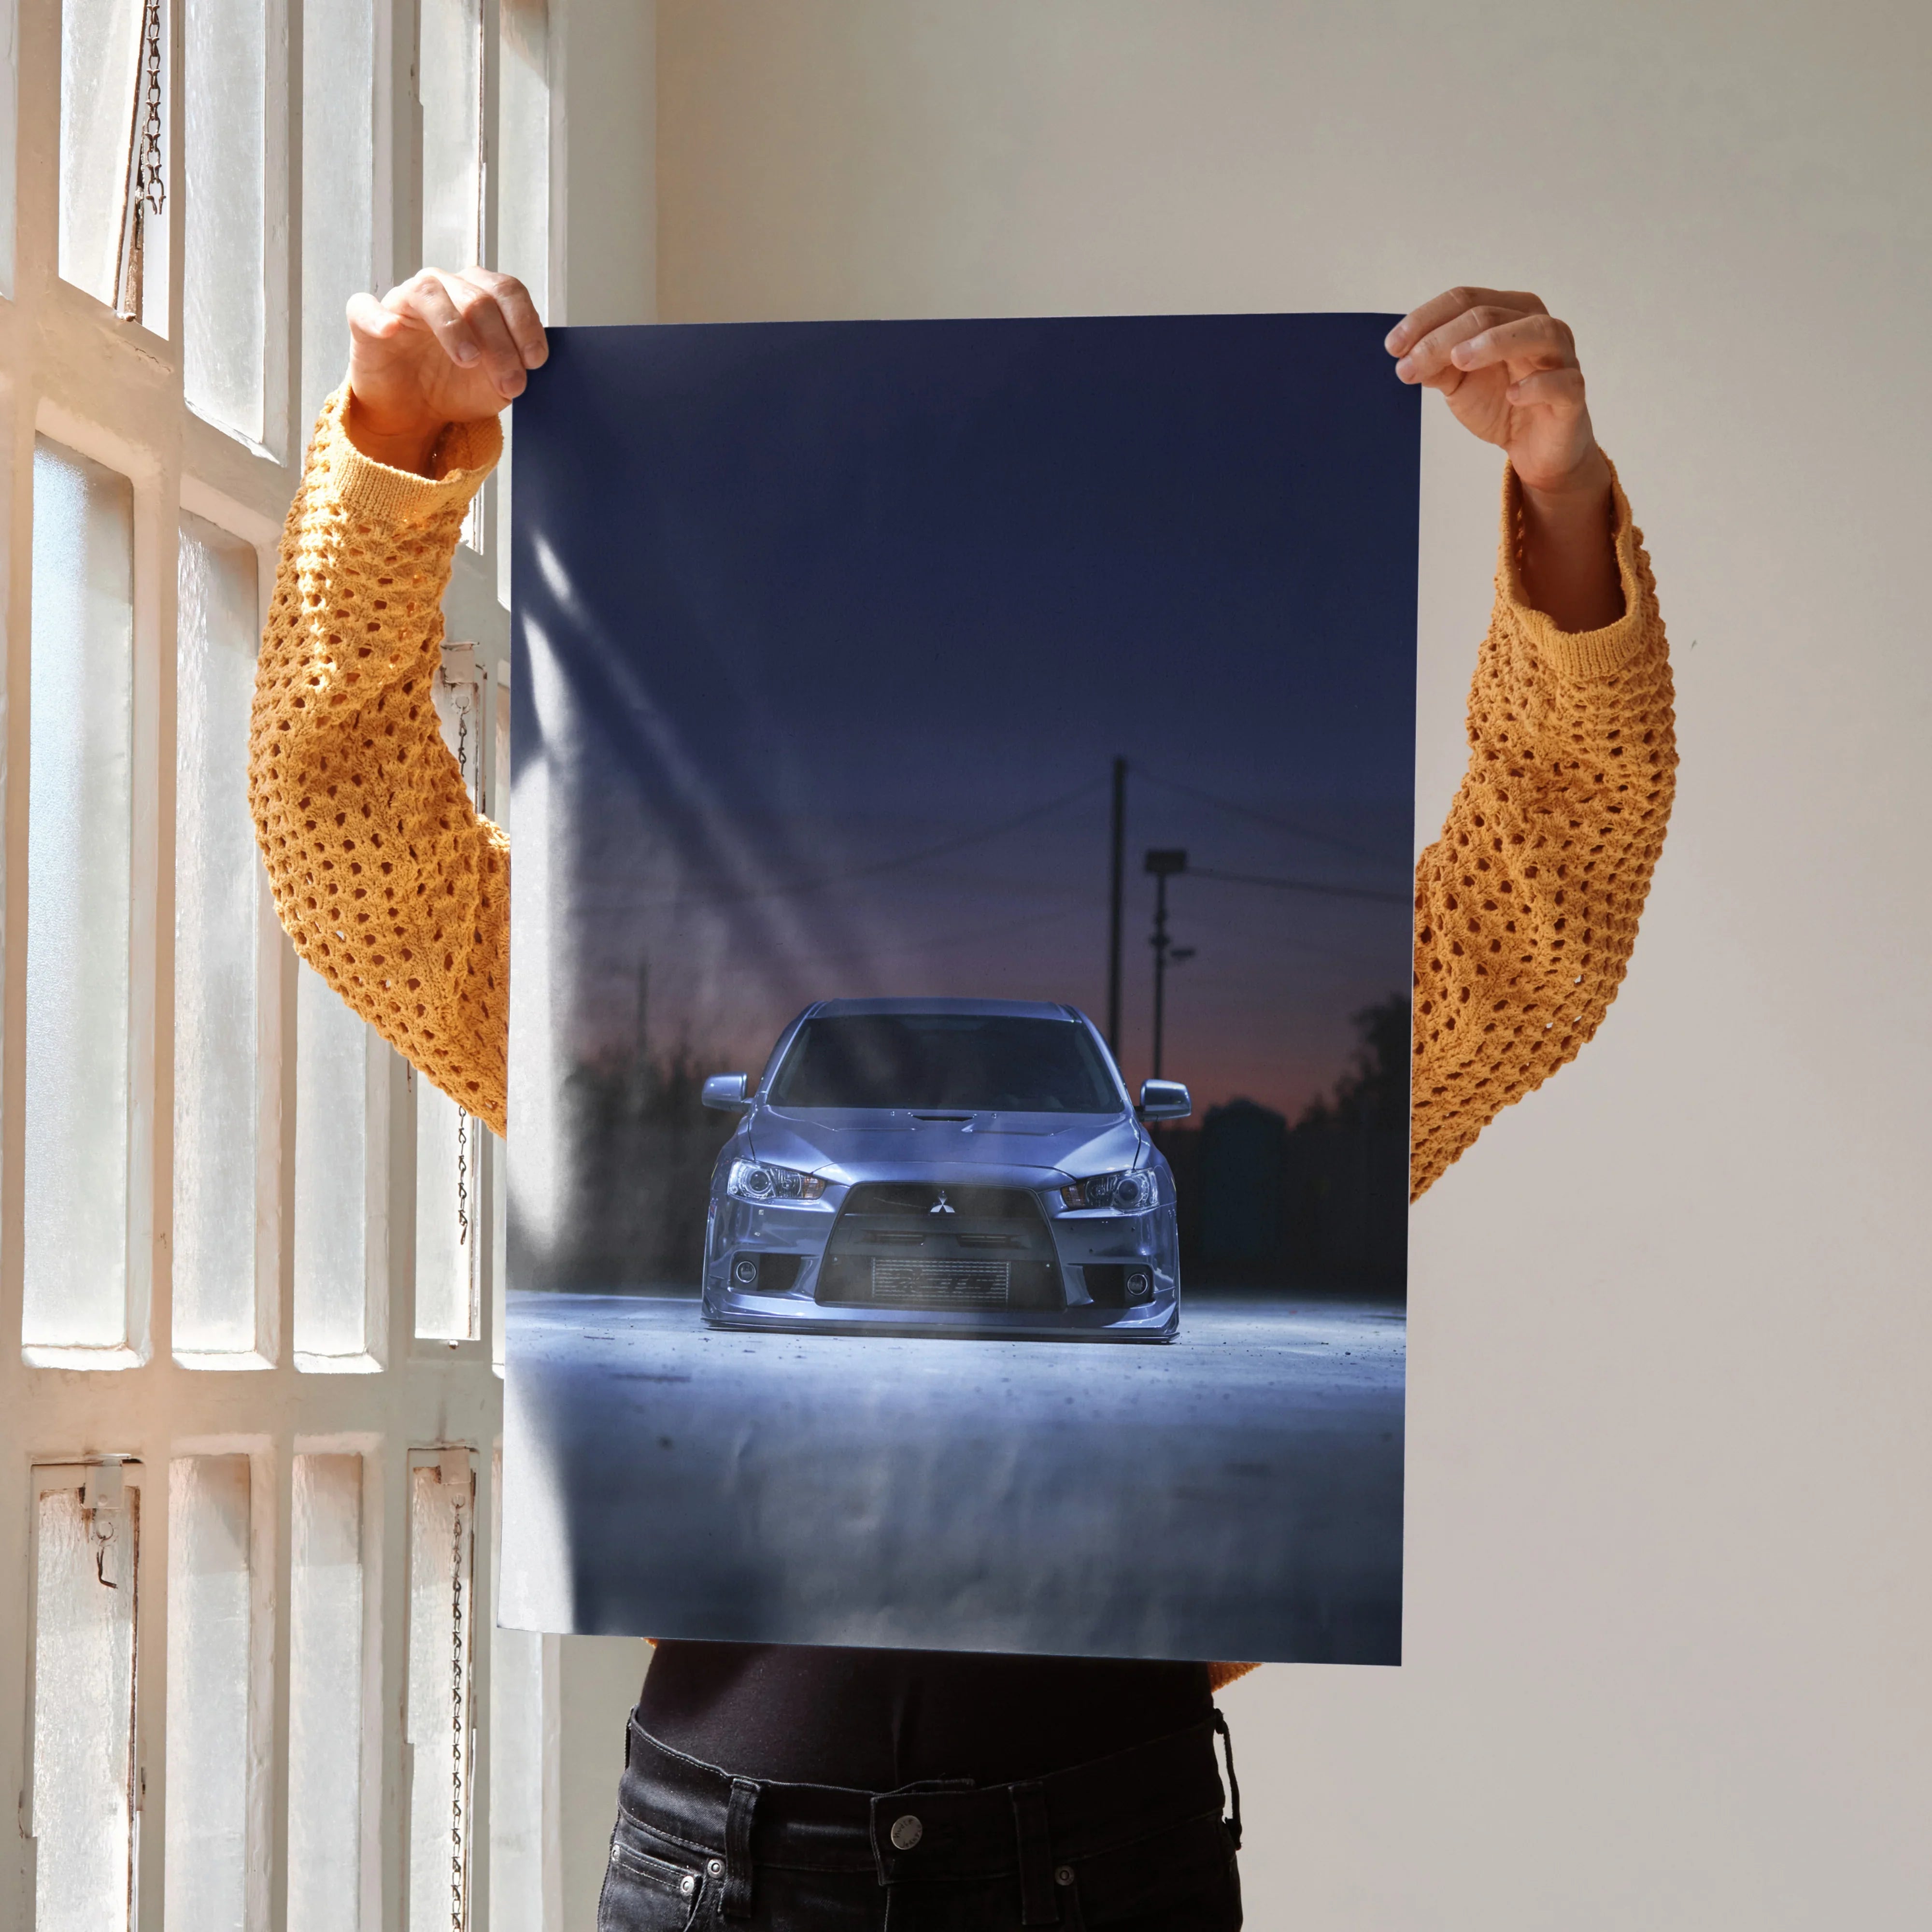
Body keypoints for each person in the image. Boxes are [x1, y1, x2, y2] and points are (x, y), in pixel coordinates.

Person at [249, 268, 1675, 1930]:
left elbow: (1544, 911)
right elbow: (347, 843)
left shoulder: (1187, 1130)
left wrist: (1560, 499)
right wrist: (392, 445)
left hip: (1107, 1852)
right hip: (726, 1862)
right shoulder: (576, 1024)